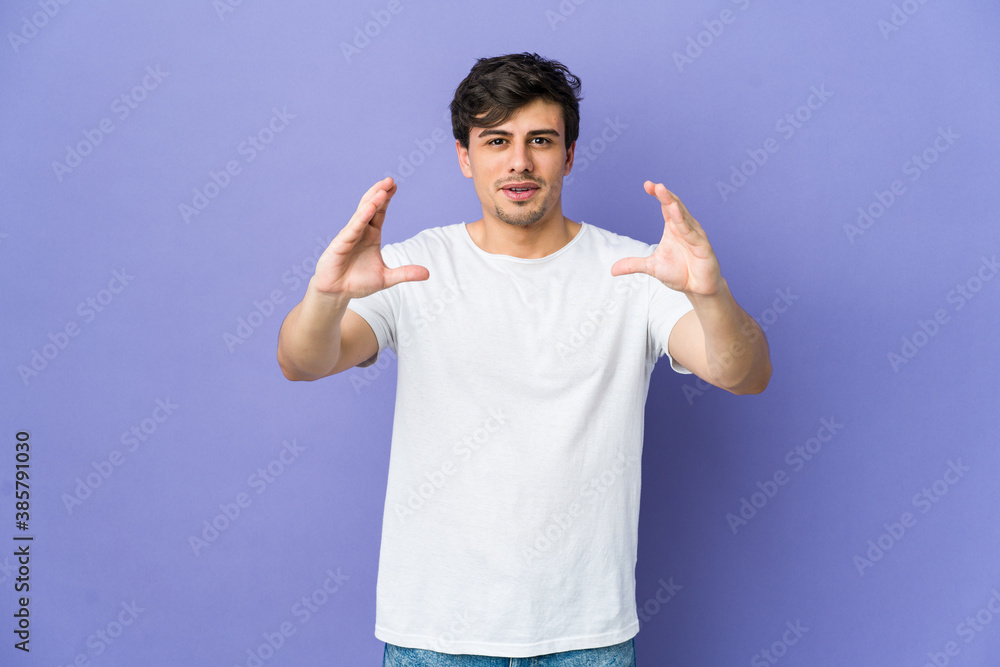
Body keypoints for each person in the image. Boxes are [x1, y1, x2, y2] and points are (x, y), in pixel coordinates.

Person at [277, 52, 771, 667]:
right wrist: (325, 296)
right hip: (435, 632)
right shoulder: (412, 268)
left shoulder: (634, 272)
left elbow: (744, 374)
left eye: (540, 140)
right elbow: (303, 361)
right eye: (496, 140)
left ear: (567, 156)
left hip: (585, 634)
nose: (519, 161)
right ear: (465, 156)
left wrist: (709, 293)